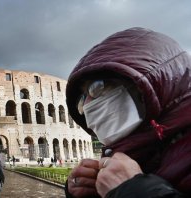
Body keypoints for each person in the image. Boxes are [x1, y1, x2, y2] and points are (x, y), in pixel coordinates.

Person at [64, 27, 190, 197]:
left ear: (146, 84)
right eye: (82, 98)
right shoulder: (137, 151)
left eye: (96, 87)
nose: (86, 105)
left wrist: (132, 190)